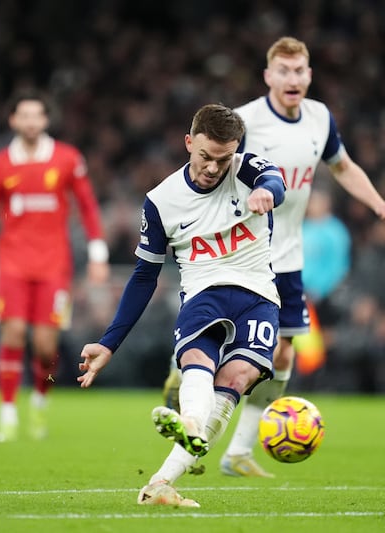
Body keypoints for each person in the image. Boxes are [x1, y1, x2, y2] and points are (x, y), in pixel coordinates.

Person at [162, 36, 385, 477]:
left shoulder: (319, 118)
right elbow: (211, 175)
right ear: (268, 76)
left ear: (310, 75)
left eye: (300, 71)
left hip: (288, 256)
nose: (293, 79)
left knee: (283, 355)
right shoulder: (248, 122)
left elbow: (343, 166)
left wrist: (378, 203)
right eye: (284, 71)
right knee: (227, 346)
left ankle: (236, 452)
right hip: (242, 252)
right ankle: (189, 390)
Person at [77, 103, 286, 507]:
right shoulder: (161, 201)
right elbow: (143, 276)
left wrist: (265, 191)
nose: (212, 167)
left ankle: (159, 483)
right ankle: (190, 419)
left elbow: (274, 181)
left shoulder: (247, 169)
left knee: (238, 378)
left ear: (236, 150)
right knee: (197, 362)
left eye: (222, 159)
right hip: (204, 293)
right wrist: (109, 343)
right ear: (189, 143)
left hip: (258, 296)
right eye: (205, 156)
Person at [0, 91, 109, 443]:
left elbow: (88, 206)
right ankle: (7, 412)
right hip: (12, 263)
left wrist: (98, 254)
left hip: (54, 266)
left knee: (46, 348)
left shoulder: (66, 158)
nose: (31, 122)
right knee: (13, 335)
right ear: (13, 120)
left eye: (37, 116)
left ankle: (41, 398)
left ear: (45, 121)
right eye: (24, 115)